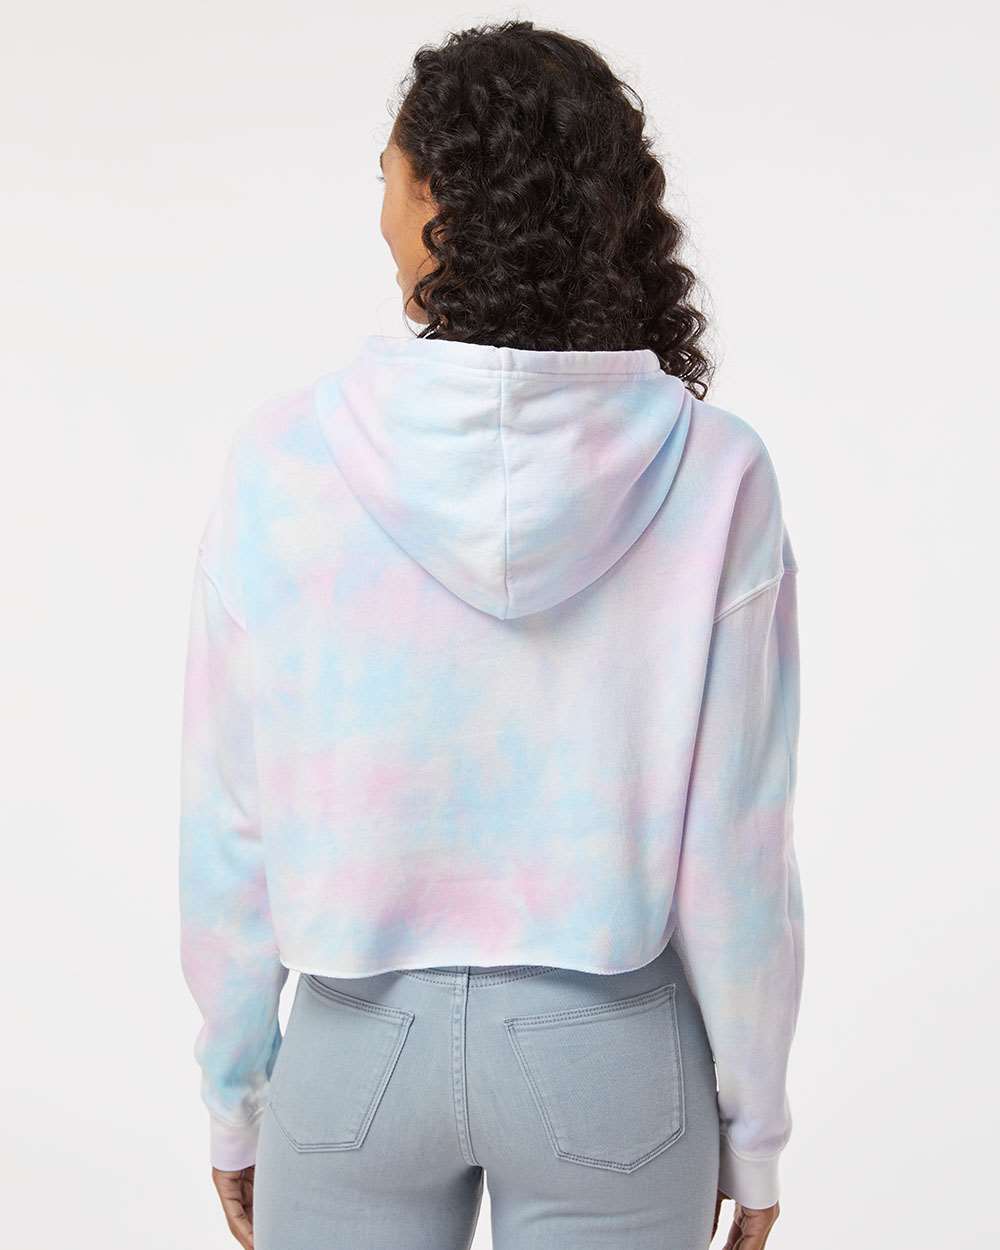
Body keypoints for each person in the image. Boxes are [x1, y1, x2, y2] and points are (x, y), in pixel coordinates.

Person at [178, 20, 804, 1250]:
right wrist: (756, 1122)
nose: (379, 214)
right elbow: (738, 840)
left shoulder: (284, 460)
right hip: (612, 1056)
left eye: (387, 178)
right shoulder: (716, 471)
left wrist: (233, 1096)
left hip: (353, 1054)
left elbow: (230, 820)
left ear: (436, 203)